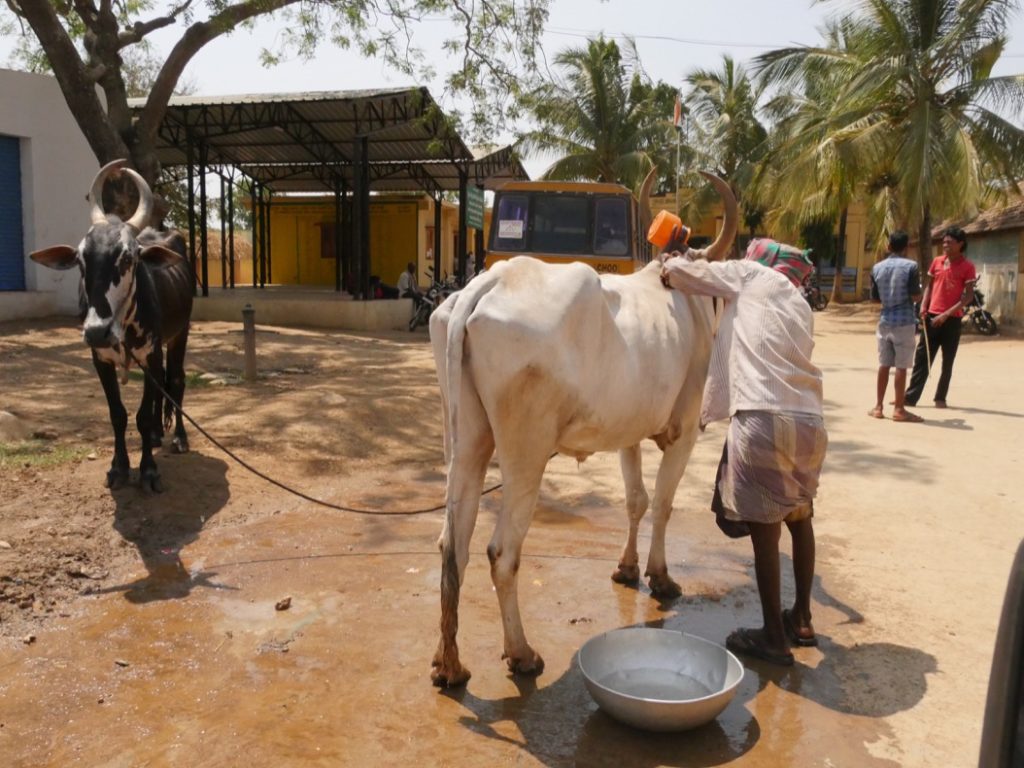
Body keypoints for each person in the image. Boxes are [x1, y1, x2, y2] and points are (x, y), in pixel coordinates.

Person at [661, 242, 827, 667]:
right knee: (800, 516)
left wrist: (678, 257)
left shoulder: (752, 276)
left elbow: (681, 275)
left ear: (761, 261)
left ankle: (773, 637)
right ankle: (802, 618)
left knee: (764, 530)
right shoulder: (801, 305)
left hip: (762, 418)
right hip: (809, 424)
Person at [905, 227, 976, 408]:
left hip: (952, 320)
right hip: (931, 317)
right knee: (922, 358)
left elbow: (967, 297)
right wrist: (923, 305)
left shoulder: (968, 267)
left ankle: (940, 397)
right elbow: (929, 286)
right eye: (944, 242)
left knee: (947, 360)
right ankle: (910, 397)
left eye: (949, 242)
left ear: (960, 244)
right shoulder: (937, 262)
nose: (945, 245)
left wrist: (945, 314)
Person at [868, 231, 923, 422]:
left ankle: (878, 407)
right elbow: (916, 295)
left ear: (888, 246)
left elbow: (875, 299)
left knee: (884, 364)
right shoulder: (911, 266)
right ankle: (899, 409)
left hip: (885, 321)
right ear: (906, 247)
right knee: (901, 366)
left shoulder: (877, 268)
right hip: (905, 321)